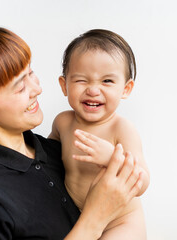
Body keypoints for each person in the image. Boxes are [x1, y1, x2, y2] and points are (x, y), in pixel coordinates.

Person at [0, 27, 144, 240]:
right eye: (20, 86)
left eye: (31, 73)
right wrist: (95, 218)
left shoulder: (58, 151)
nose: (37, 89)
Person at [49, 29, 150, 239]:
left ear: (126, 89)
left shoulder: (121, 129)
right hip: (79, 218)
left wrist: (112, 158)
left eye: (107, 81)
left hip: (120, 222)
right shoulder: (63, 122)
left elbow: (142, 181)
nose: (93, 90)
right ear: (64, 85)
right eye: (81, 80)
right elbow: (47, 159)